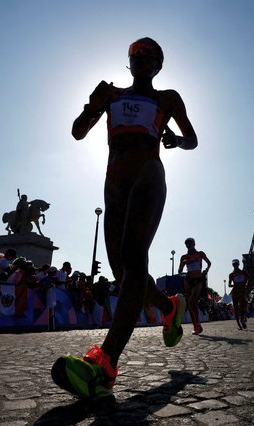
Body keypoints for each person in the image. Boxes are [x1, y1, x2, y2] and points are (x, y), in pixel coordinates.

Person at [52, 37, 197, 401]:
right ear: (128, 61)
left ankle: (105, 364)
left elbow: (192, 139)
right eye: (136, 54)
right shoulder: (111, 94)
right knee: (124, 272)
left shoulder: (168, 98)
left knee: (133, 259)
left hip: (149, 173)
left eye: (150, 55)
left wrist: (174, 141)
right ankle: (169, 306)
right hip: (113, 182)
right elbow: (77, 130)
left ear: (159, 65)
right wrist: (92, 105)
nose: (142, 58)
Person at [178, 237, 211, 335]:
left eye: (190, 243)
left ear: (194, 244)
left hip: (198, 279)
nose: (188, 245)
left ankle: (197, 325)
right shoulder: (184, 257)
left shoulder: (200, 254)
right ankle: (196, 326)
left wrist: (206, 270)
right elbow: (179, 271)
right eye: (187, 244)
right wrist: (183, 264)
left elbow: (209, 263)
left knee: (192, 302)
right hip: (188, 279)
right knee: (190, 303)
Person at [228, 258, 249, 330]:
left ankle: (241, 321)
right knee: (237, 308)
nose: (235, 265)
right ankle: (240, 323)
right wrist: (237, 285)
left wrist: (244, 284)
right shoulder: (232, 274)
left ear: (238, 264)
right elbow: (229, 284)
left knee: (241, 307)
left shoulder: (242, 273)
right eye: (234, 264)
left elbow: (248, 280)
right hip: (237, 292)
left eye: (236, 264)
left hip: (240, 291)